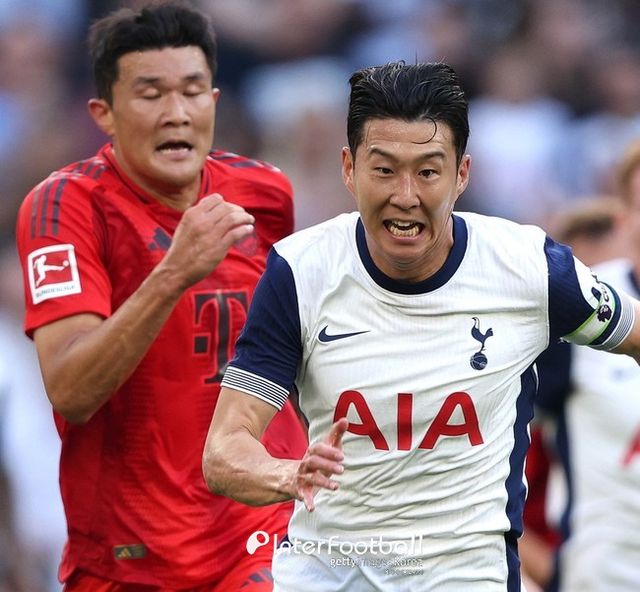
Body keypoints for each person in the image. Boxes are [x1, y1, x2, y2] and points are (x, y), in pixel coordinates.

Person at [201, 61, 640, 591]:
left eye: (428, 172)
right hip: (326, 574)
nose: (405, 195)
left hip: (463, 577)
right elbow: (224, 450)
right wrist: (288, 473)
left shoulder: (529, 268)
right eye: (384, 170)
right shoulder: (301, 271)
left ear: (462, 174)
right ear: (348, 168)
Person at [15, 3, 307, 591]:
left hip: (262, 531)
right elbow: (71, 390)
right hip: (129, 553)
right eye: (150, 94)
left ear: (214, 102)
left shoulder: (265, 192)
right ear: (104, 113)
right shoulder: (64, 207)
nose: (177, 112)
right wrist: (174, 273)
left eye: (193, 91)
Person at [531, 140, 640, 591]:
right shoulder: (582, 307)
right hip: (603, 578)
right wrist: (544, 568)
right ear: (624, 220)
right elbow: (487, 449)